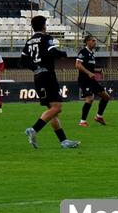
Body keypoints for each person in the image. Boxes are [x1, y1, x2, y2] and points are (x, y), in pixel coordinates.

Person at [21, 15, 80, 149]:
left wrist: (35, 68)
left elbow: (23, 60)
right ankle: (33, 129)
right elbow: (52, 52)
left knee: (53, 111)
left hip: (38, 77)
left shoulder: (29, 41)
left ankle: (63, 141)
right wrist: (64, 54)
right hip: (48, 76)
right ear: (43, 25)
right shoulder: (46, 38)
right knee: (57, 107)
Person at [75, 34, 111, 127]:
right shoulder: (83, 52)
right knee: (90, 98)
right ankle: (82, 121)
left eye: (95, 41)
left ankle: (99, 117)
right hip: (84, 80)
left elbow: (89, 67)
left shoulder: (91, 54)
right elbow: (78, 65)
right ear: (87, 42)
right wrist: (88, 73)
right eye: (93, 41)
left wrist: (97, 71)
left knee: (106, 97)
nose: (95, 42)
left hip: (91, 80)